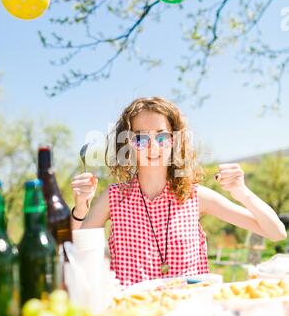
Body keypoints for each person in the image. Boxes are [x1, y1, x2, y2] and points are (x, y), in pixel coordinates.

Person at [71, 97, 286, 286]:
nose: (153, 146)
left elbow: (276, 232)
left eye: (162, 137)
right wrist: (81, 207)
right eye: (140, 138)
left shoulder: (195, 196)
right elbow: (73, 250)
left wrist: (242, 192)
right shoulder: (113, 197)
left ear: (174, 141)